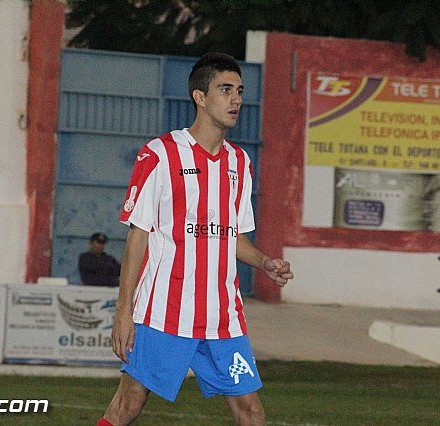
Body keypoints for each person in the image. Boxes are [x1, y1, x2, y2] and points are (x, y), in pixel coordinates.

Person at [96, 52, 294, 426]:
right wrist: (124, 313)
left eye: (239, 90)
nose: (236, 99)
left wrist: (265, 262)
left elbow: (230, 238)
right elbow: (138, 238)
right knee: (129, 404)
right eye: (225, 90)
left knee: (250, 409)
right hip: (163, 312)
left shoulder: (240, 163)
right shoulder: (160, 155)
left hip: (223, 317)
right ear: (200, 98)